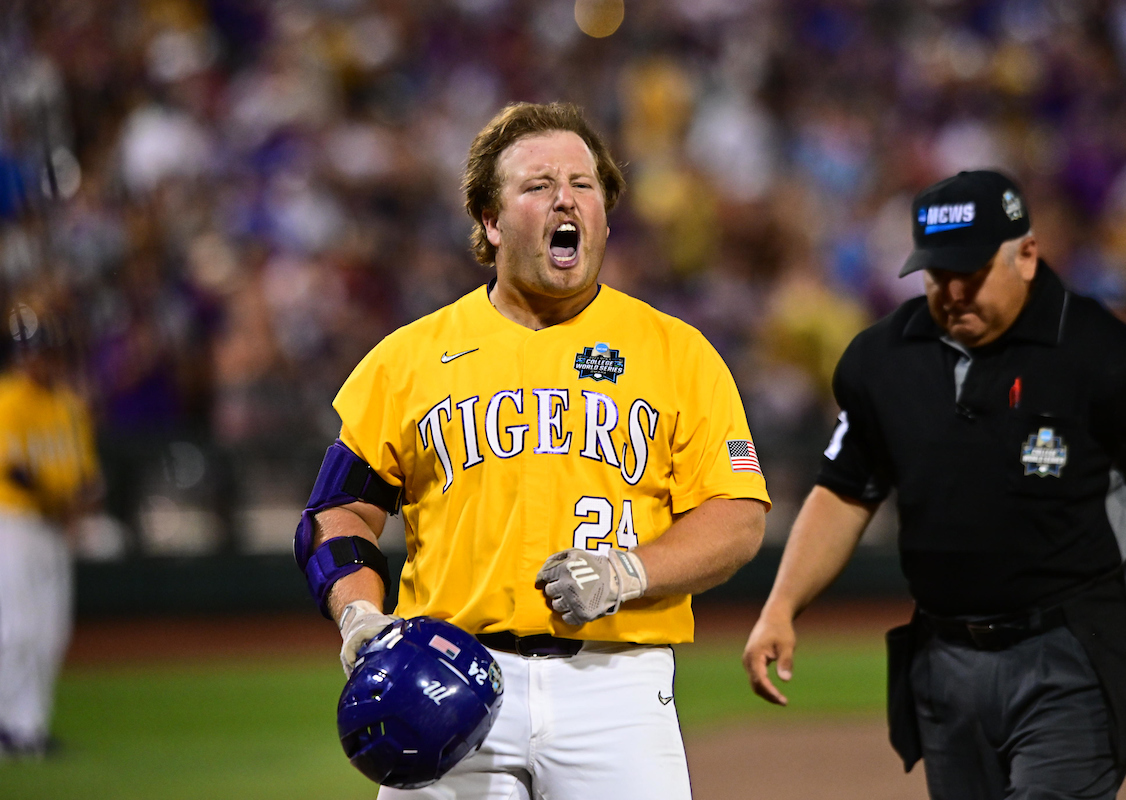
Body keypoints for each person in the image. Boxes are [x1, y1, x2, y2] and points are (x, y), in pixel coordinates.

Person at [296, 101, 770, 799]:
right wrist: (360, 616)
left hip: (616, 687)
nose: (565, 199)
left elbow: (739, 516)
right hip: (447, 677)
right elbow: (337, 511)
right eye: (538, 185)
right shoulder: (408, 360)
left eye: (583, 184)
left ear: (604, 213)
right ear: (490, 222)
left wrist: (626, 574)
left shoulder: (678, 353)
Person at [743, 170, 1126, 799]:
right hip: (944, 661)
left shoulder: (1106, 354)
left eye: (973, 272)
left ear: (1027, 255)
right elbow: (844, 492)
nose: (954, 291)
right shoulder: (884, 358)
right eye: (937, 273)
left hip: (1073, 653)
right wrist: (780, 606)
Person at [0, 303, 102, 757]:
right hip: (15, 524)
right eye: (29, 351)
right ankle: (8, 725)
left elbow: (86, 474)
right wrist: (64, 504)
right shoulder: (7, 400)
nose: (37, 359)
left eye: (43, 350)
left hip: (56, 530)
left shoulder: (69, 405)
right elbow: (16, 471)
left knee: (50, 633)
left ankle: (29, 729)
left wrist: (77, 506)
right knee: (16, 630)